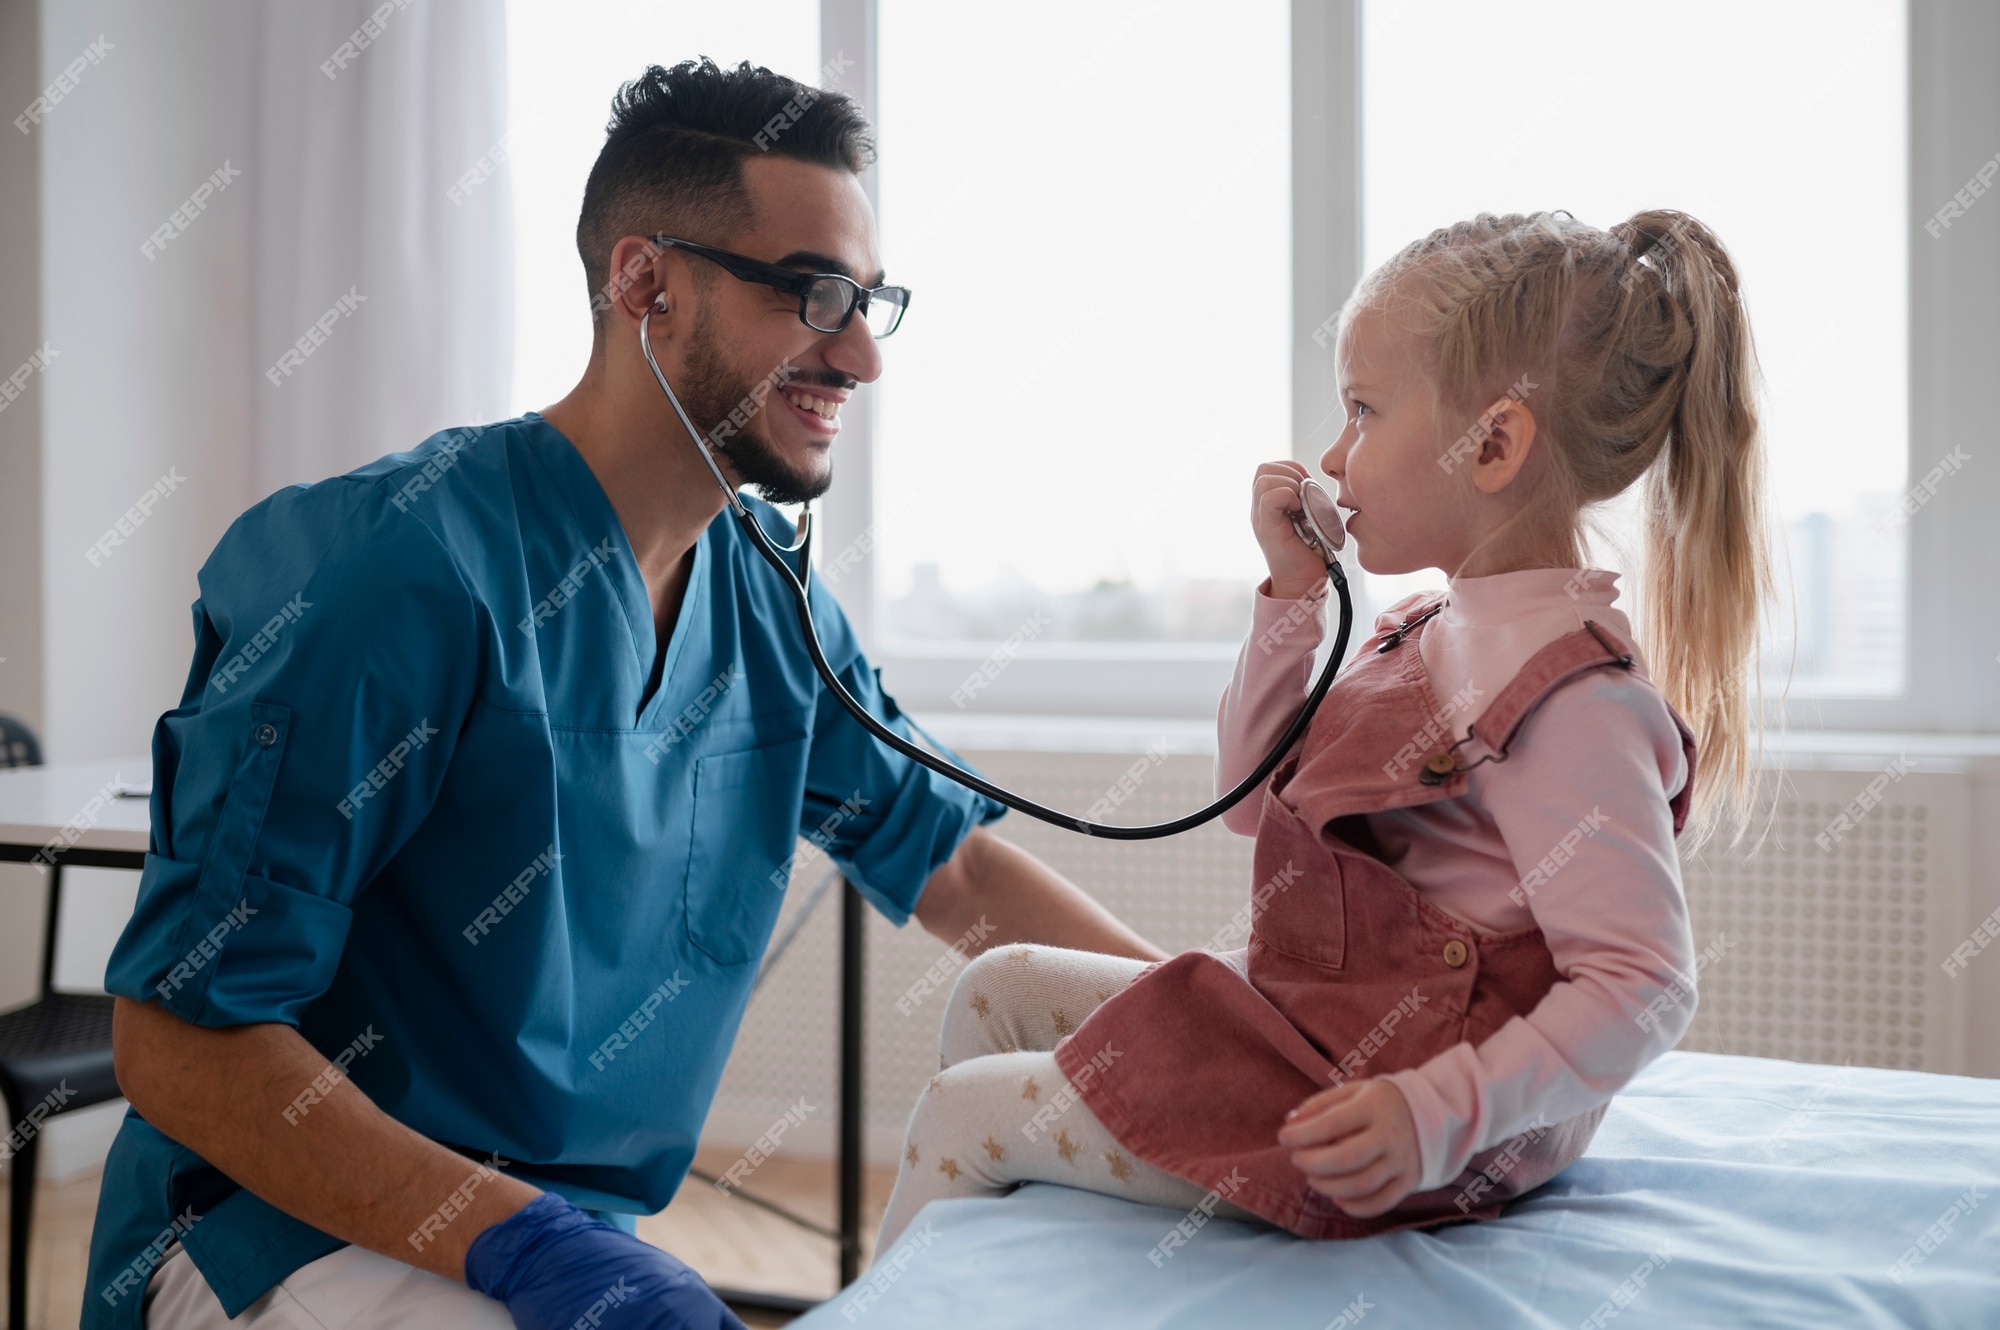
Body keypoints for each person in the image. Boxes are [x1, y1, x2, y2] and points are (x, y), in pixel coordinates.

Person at [81, 58, 1167, 1330]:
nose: (862, 355)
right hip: (275, 1230)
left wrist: (1235, 1033)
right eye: (816, 294)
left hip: (556, 1234)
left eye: (872, 300)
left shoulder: (767, 601)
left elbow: (960, 873)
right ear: (644, 281)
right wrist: (527, 1242)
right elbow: (181, 1045)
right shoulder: (395, 570)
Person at [873, 208, 1774, 1250]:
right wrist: (1288, 605)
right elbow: (1250, 803)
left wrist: (1437, 1115)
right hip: (1326, 1037)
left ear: (1490, 443)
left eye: (1361, 411)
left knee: (963, 1117)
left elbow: (1643, 985)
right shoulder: (1427, 630)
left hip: (1387, 1118)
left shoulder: (1570, 695)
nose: (1332, 457)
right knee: (1000, 984)